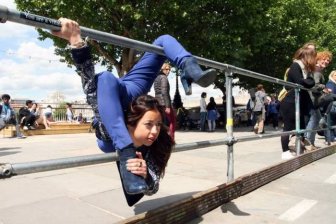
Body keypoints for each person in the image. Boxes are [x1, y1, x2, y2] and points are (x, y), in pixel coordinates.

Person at [51, 18, 217, 205]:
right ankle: (126, 151)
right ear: (131, 122)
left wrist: (76, 41)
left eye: (157, 124)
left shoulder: (144, 138)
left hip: (117, 93)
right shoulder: (118, 126)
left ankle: (189, 68)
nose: (155, 131)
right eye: (149, 125)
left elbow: (90, 87)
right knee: (114, 73)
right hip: (129, 92)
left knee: (106, 78)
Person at [280, 46, 316, 160]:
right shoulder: (296, 65)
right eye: (313, 56)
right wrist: (310, 81)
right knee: (288, 127)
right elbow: (301, 82)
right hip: (291, 102)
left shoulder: (305, 69)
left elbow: (307, 82)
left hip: (297, 101)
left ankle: (297, 147)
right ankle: (285, 151)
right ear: (307, 56)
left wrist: (309, 81)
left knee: (300, 126)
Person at [305, 51, 332, 147]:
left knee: (316, 120)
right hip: (313, 100)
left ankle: (309, 142)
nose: (326, 61)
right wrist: (324, 87)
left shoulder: (317, 70)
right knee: (314, 120)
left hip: (313, 99)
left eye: (328, 60)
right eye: (324, 59)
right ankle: (308, 143)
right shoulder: (317, 70)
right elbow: (315, 86)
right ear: (318, 59)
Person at [153, 63, 176, 140]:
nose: (168, 71)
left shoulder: (156, 78)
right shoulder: (163, 78)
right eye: (166, 69)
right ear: (162, 69)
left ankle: (163, 141)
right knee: (171, 123)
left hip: (158, 103)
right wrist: (167, 106)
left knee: (162, 124)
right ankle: (169, 141)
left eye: (169, 69)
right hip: (164, 104)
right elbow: (164, 92)